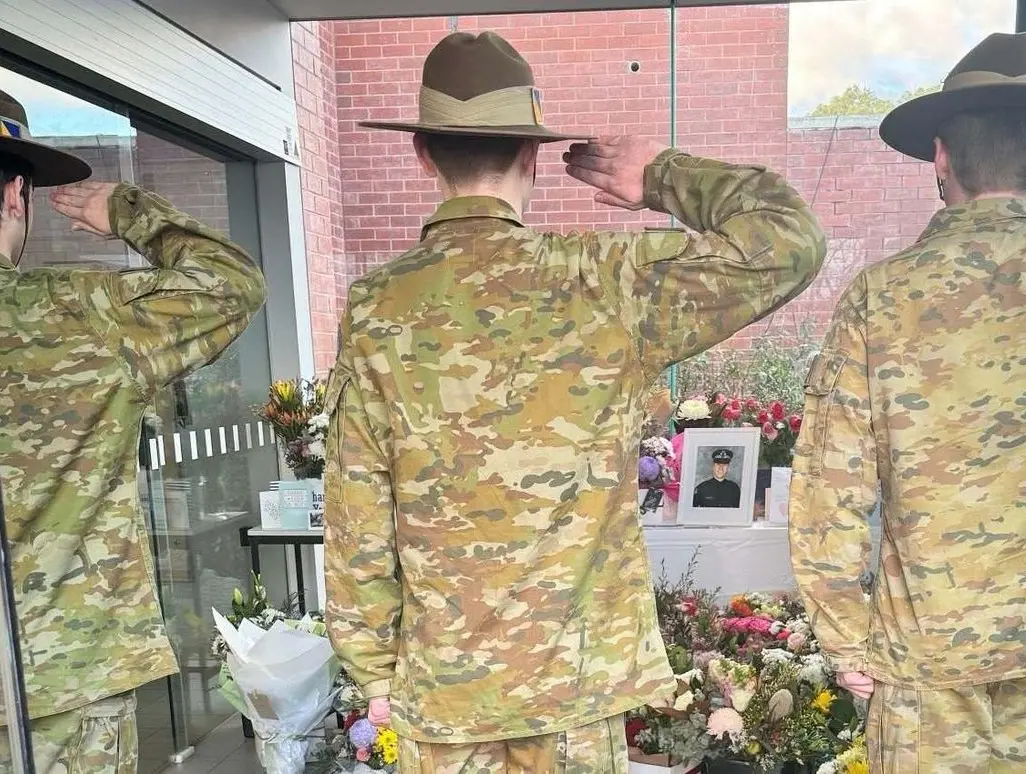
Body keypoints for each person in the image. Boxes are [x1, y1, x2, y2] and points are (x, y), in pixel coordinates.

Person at [323, 30, 825, 773]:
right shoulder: (602, 281)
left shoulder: (377, 306)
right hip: (574, 681)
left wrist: (370, 666)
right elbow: (789, 241)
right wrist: (660, 176)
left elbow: (355, 502)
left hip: (445, 681)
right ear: (531, 155)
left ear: (421, 154)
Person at [788, 32, 1026, 772]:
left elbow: (829, 489)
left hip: (925, 640)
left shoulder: (881, 298)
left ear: (939, 156)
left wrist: (843, 637)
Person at [0, 90, 267, 772]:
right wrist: (130, 211)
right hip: (62, 676)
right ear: (15, 196)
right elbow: (233, 284)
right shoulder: (80, 314)